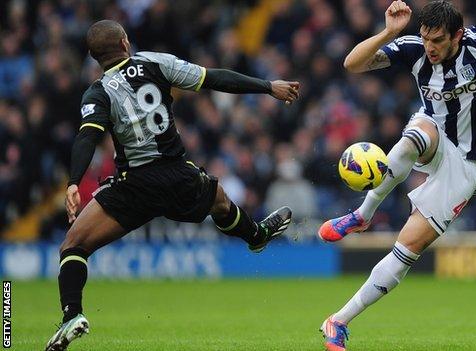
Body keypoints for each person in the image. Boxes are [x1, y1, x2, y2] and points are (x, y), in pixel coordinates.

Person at [318, 1, 476, 350]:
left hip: (468, 164)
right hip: (435, 133)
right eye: (425, 38)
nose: (430, 47)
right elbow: (351, 64)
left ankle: (338, 320)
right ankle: (361, 215)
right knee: (414, 137)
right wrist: (390, 32)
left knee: (406, 250)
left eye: (438, 40)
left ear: (457, 35)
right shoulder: (415, 49)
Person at [45, 19, 299, 351]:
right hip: (178, 174)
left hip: (134, 185)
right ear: (125, 42)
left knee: (73, 246)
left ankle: (72, 315)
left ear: (94, 57)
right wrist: (268, 86)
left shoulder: (98, 91)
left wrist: (74, 182)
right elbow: (215, 78)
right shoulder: (155, 62)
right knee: (219, 199)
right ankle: (257, 236)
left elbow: (87, 136)